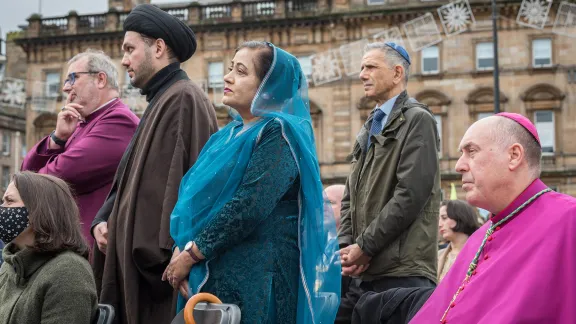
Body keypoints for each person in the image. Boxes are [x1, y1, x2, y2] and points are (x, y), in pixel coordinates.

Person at [163, 41, 341, 323]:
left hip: (257, 286)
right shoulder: (225, 135)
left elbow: (249, 204)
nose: (227, 76)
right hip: (213, 276)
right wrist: (181, 248)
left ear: (268, 86)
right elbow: (194, 201)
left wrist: (191, 254)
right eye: (231, 67)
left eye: (241, 71)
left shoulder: (279, 132)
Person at [90, 4, 219, 324]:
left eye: (130, 49)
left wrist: (150, 254)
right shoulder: (161, 99)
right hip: (138, 274)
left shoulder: (182, 98)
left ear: (158, 47)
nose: (124, 60)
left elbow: (181, 193)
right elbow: (129, 183)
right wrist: (104, 219)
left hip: (158, 284)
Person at [410, 113, 576, 323]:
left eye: (471, 151)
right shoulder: (480, 236)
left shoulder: (569, 220)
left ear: (514, 155)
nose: (459, 165)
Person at [336, 41, 440, 322]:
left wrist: (365, 247)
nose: (362, 74)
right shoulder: (370, 124)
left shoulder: (418, 119)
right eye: (361, 67)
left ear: (396, 73)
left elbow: (410, 195)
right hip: (366, 272)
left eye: (370, 66)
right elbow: (350, 195)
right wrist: (348, 248)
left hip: (402, 273)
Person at [21, 50, 139, 245]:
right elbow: (25, 172)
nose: (66, 88)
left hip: (90, 251)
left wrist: (29, 180)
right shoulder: (83, 122)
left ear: (101, 79)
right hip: (72, 246)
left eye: (72, 79)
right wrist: (58, 138)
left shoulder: (118, 120)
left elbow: (57, 176)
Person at [0, 171, 97, 323]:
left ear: (38, 210)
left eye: (9, 201)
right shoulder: (10, 266)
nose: (2, 208)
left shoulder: (69, 271)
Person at [437, 200, 480, 281]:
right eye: (438, 219)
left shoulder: (481, 254)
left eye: (444, 218)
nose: (439, 224)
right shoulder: (438, 256)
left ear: (460, 216)